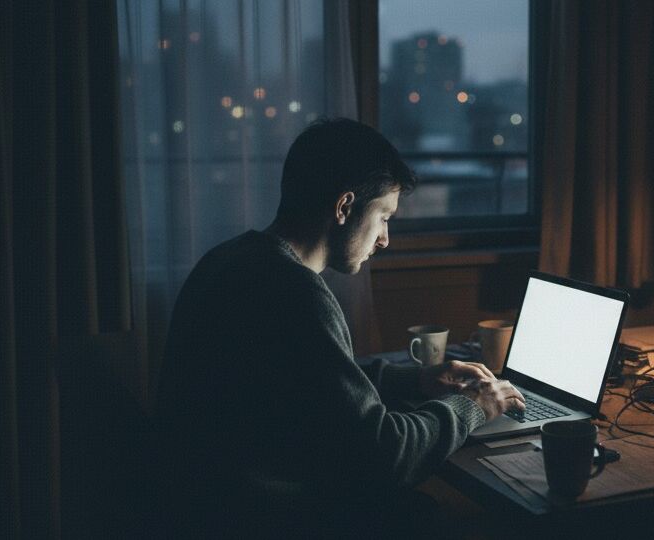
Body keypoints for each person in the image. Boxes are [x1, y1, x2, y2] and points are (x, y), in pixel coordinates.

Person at [157, 118, 526, 537]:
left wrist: (419, 380)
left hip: (203, 505)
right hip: (265, 517)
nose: (385, 239)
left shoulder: (228, 260)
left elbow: (310, 384)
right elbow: (386, 456)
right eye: (384, 216)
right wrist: (474, 406)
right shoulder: (296, 293)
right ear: (344, 207)